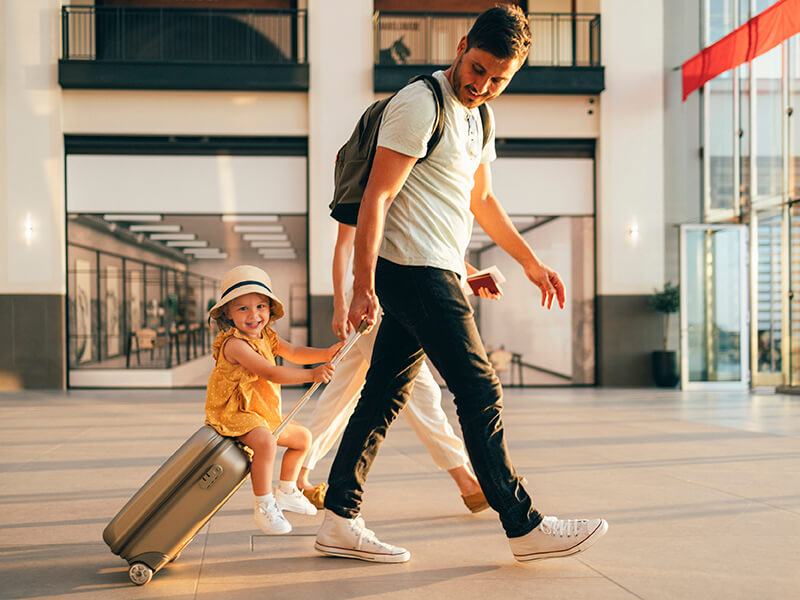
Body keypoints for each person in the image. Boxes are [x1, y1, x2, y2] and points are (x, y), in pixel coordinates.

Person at [315, 5, 608, 563]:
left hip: (437, 270)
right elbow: (377, 197)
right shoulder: (420, 104)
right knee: (479, 391)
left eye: (499, 78)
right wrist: (360, 284)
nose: (483, 85)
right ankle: (523, 525)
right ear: (460, 45)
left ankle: (338, 517)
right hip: (414, 271)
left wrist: (526, 261)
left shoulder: (480, 118)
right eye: (477, 69)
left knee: (382, 396)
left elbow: (481, 201)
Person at [296, 222, 490, 513]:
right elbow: (343, 247)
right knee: (419, 389)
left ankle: (296, 476)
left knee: (341, 394)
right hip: (372, 301)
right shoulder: (366, 186)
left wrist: (471, 275)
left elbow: (423, 243)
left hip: (398, 297)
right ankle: (467, 483)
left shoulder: (409, 191)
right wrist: (338, 303)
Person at [205, 265, 342, 535]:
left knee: (303, 438)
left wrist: (326, 354)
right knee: (266, 442)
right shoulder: (235, 344)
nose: (253, 315)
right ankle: (263, 504)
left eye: (260, 306)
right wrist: (312, 374)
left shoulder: (267, 336)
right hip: (235, 412)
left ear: (269, 309)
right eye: (242, 308)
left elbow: (294, 351)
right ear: (228, 314)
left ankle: (288, 489)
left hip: (259, 411)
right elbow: (270, 372)